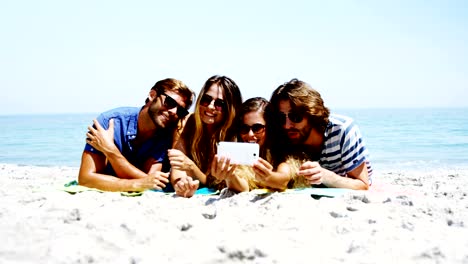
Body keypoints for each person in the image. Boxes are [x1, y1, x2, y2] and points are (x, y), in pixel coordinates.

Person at [78, 78, 194, 192]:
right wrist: (136, 184)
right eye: (170, 102)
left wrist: (111, 152)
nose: (173, 112)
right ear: (152, 95)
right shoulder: (110, 122)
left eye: (180, 111)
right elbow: (86, 179)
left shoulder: (167, 134)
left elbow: (153, 182)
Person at [268, 78, 373, 190]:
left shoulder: (341, 130)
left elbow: (363, 185)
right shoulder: (283, 133)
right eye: (280, 118)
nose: (287, 125)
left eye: (295, 117)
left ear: (311, 114)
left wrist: (326, 176)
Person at [167, 75, 243, 198]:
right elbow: (178, 166)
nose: (210, 107)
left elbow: (222, 184)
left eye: (219, 104)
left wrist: (192, 168)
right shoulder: (186, 124)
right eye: (206, 99)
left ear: (230, 108)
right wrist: (181, 184)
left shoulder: (234, 134)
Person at [230, 97, 296, 192]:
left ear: (270, 128)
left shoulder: (283, 155)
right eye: (244, 128)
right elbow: (243, 187)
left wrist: (268, 177)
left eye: (257, 128)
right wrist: (230, 176)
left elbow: (283, 180)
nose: (250, 134)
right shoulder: (237, 157)